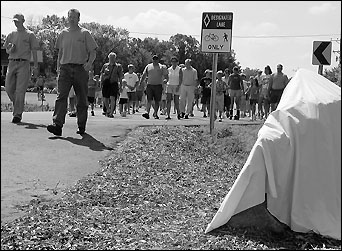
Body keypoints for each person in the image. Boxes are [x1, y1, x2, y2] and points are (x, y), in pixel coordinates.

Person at [47, 9, 98, 136]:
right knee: (61, 97)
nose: (72, 19)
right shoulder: (63, 33)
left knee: (81, 98)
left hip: (80, 69)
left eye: (74, 17)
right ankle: (57, 125)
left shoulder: (85, 33)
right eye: (70, 17)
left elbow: (93, 51)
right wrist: (58, 67)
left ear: (79, 19)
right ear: (67, 18)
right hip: (65, 68)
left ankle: (81, 125)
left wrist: (89, 63)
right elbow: (60, 53)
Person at [4, 13, 39, 123]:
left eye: (17, 21)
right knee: (8, 88)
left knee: (20, 90)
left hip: (24, 63)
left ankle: (17, 114)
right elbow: (6, 49)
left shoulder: (30, 35)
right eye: (14, 21)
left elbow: (35, 51)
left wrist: (36, 66)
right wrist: (10, 49)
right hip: (12, 62)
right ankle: (18, 105)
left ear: (23, 21)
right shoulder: (11, 34)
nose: (15, 23)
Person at [139, 55, 169, 119]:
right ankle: (147, 112)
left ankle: (155, 113)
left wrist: (166, 80)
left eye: (156, 59)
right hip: (150, 85)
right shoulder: (148, 66)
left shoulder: (162, 67)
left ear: (158, 60)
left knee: (157, 101)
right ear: (152, 60)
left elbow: (166, 76)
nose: (155, 60)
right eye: (154, 59)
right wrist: (140, 82)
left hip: (158, 85)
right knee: (149, 99)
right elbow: (144, 75)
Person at [100, 52, 123, 118]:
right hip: (106, 83)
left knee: (113, 98)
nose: (112, 59)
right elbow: (102, 75)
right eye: (110, 58)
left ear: (115, 58)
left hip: (114, 83)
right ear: (108, 58)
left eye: (113, 58)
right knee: (105, 98)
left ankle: (111, 112)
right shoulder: (105, 66)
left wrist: (121, 86)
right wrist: (100, 83)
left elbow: (120, 76)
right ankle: (108, 109)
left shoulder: (118, 66)